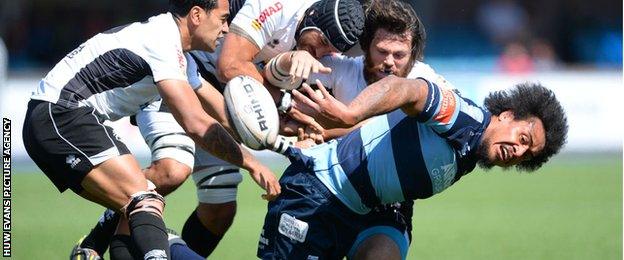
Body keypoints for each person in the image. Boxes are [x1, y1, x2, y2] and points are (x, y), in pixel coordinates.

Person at [22, 0, 281, 259]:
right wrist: (252, 164)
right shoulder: (163, 42)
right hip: (62, 115)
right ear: (197, 15)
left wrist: (280, 140)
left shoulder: (177, 51)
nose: (226, 29)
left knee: (135, 209)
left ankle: (90, 248)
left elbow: (225, 115)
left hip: (60, 117)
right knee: (144, 201)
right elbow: (197, 123)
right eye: (223, 19)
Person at [257, 75, 568, 259]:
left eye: (527, 155)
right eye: (523, 138)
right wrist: (349, 113)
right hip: (316, 194)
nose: (518, 151)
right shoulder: (465, 118)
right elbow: (407, 88)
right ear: (507, 116)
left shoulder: (471, 151)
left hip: (355, 209)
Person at [264, 1, 431, 258]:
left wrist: (324, 134)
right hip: (323, 193)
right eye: (381, 51)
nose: (389, 63)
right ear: (365, 48)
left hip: (384, 206)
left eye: (399, 55)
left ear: (413, 54)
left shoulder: (425, 82)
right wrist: (290, 59)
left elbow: (384, 131)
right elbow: (271, 80)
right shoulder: (340, 68)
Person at [216, 0, 364, 91]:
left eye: (329, 51)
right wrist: (279, 100)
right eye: (323, 42)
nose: (318, 54)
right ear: (313, 14)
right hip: (206, 48)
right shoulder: (277, 6)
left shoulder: (319, 46)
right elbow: (228, 67)